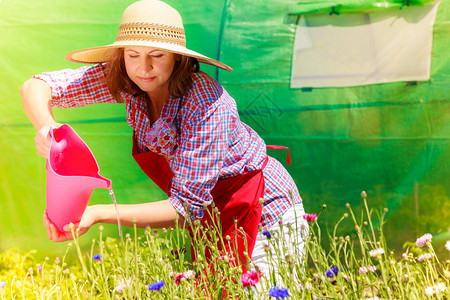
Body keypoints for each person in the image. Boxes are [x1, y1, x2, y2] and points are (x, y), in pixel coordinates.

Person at [21, 0, 307, 276]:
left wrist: (98, 213)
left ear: (178, 57)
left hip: (264, 208)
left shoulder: (206, 104)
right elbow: (38, 85)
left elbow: (185, 208)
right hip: (212, 213)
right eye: (133, 55)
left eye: (156, 55)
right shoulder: (126, 80)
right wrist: (47, 127)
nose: (143, 68)